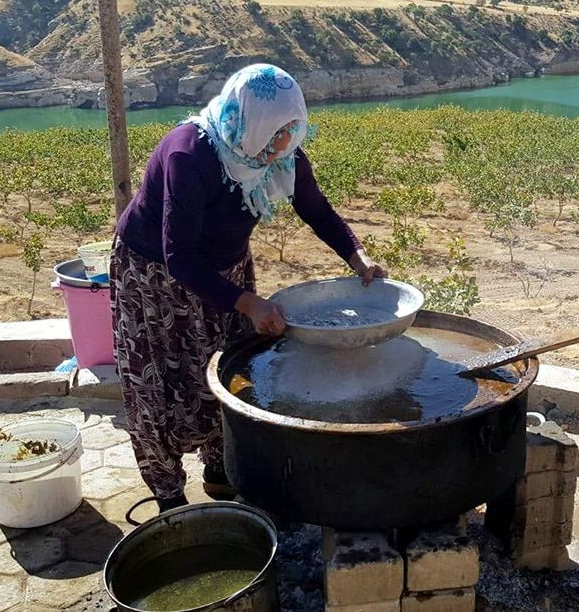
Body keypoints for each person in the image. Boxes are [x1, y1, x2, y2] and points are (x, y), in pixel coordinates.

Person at [111, 64, 386, 512]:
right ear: (250, 123)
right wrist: (246, 302)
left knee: (227, 365)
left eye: (292, 131)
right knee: (161, 380)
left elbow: (315, 208)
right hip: (155, 276)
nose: (284, 147)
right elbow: (179, 255)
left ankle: (222, 468)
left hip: (227, 269)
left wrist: (357, 256)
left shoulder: (279, 150)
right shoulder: (189, 155)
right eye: (277, 134)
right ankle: (170, 496)